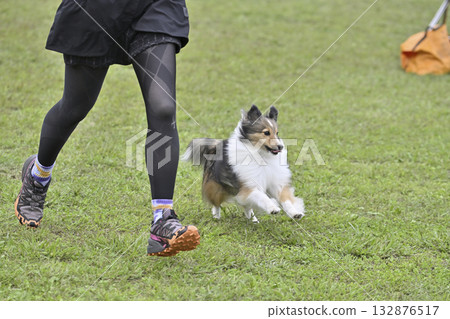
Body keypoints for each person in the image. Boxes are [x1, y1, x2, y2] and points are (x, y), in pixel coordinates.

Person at [13, 0, 200, 257]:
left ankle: (162, 220)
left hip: (153, 7)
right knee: (76, 106)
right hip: (96, 9)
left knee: (163, 107)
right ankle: (37, 176)